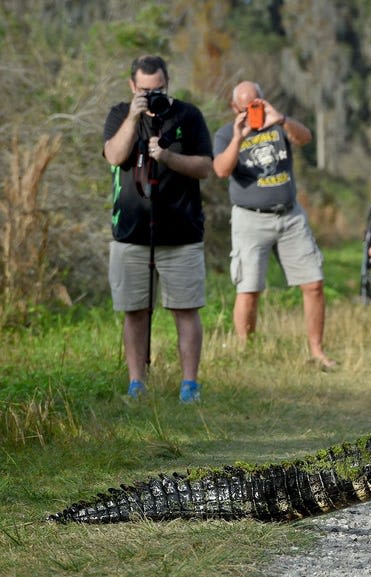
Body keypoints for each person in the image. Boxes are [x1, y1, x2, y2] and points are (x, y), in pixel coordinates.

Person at [102, 55, 213, 403]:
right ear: (133, 87)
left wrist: (167, 158)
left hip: (181, 233)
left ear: (168, 83)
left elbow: (205, 167)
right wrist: (135, 117)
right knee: (134, 311)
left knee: (185, 309)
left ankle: (189, 386)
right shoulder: (120, 114)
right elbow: (114, 156)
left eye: (159, 88)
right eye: (146, 89)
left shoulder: (188, 115)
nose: (153, 95)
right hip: (131, 234)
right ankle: (137, 383)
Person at [212, 80, 336, 370]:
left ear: (263, 101)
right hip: (250, 218)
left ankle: (317, 351)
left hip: (290, 215)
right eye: (245, 107)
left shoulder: (279, 126)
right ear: (234, 108)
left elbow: (306, 138)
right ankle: (246, 352)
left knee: (314, 283)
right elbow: (220, 170)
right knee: (249, 288)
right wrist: (238, 137)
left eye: (256, 104)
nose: (251, 111)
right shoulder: (224, 134)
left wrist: (281, 119)